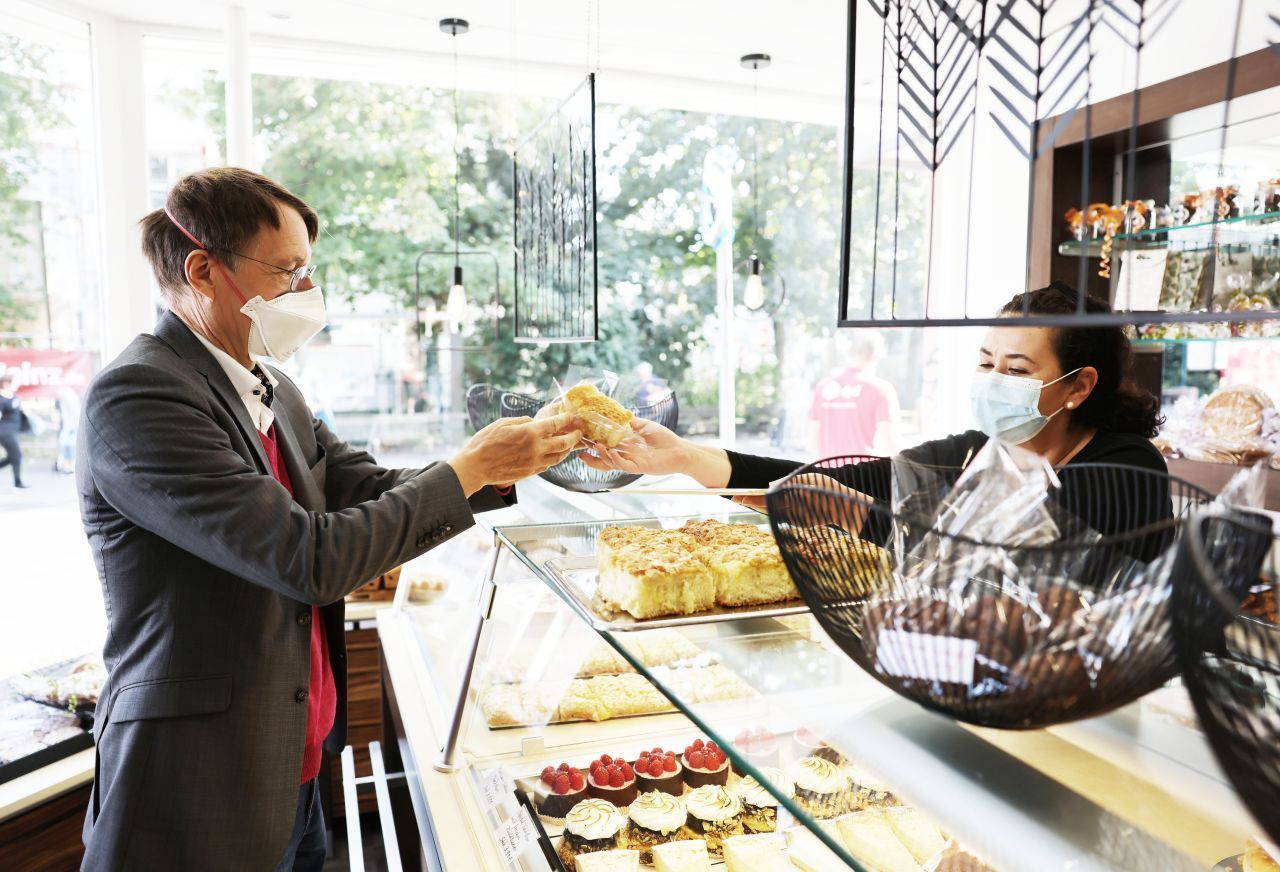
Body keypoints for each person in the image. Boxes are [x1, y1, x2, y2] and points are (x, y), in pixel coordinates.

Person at [77, 167, 582, 871]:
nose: (306, 294)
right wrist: (471, 466)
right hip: (197, 782)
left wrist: (506, 467)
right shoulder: (141, 397)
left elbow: (366, 487)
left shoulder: (274, 388)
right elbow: (307, 559)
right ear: (203, 269)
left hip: (296, 763)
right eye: (287, 272)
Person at [584, 284, 1168, 540]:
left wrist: (863, 520)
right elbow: (831, 484)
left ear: (1079, 386)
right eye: (986, 363)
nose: (993, 382)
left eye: (1016, 371)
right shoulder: (971, 452)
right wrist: (687, 458)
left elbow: (1025, 573)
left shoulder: (1126, 467)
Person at [807, 329, 899, 457]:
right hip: (861, 474)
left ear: (850, 353)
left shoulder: (823, 386)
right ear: (875, 356)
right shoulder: (880, 389)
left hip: (827, 474)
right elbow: (889, 444)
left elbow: (812, 443)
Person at [0, 374, 28, 488]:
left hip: (13, 431)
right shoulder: (1, 398)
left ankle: (18, 481)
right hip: (5, 432)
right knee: (17, 456)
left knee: (13, 457)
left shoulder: (13, 397)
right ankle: (18, 482)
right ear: (7, 384)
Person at [54, 386, 81, 473]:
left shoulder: (72, 400)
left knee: (71, 447)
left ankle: (70, 466)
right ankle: (66, 466)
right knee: (65, 446)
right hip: (67, 427)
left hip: (72, 427)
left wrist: (73, 427)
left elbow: (76, 416)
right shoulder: (63, 402)